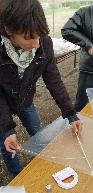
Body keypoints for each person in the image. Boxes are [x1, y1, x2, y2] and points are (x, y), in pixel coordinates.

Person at [0, 0, 82, 177]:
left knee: (37, 131)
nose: (36, 44)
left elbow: (53, 79)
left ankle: (42, 162)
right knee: (7, 143)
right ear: (8, 31)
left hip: (25, 99)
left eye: (39, 36)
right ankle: (17, 175)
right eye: (29, 38)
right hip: (2, 103)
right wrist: (7, 128)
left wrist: (70, 113)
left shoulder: (43, 42)